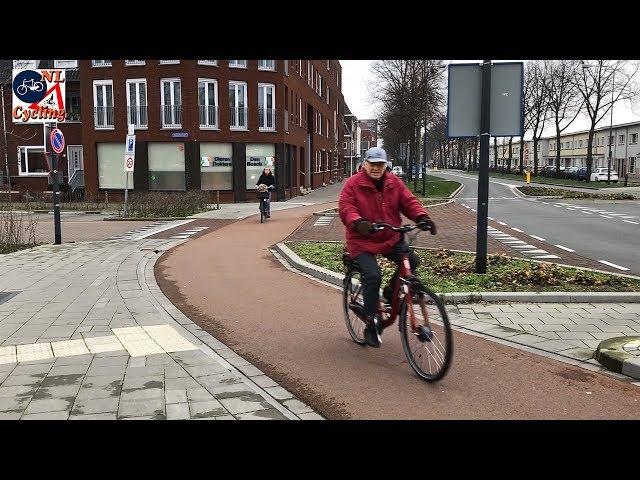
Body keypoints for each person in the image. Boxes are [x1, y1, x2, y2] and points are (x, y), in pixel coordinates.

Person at [339, 146, 437, 347]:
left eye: (380, 164)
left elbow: (408, 201)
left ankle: (390, 291)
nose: (376, 168)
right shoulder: (353, 184)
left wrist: (422, 217)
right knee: (373, 275)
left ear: (386, 165)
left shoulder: (394, 182)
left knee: (412, 261)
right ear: (365, 164)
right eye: (372, 164)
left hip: (390, 236)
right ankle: (371, 322)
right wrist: (359, 223)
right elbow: (346, 208)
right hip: (363, 240)